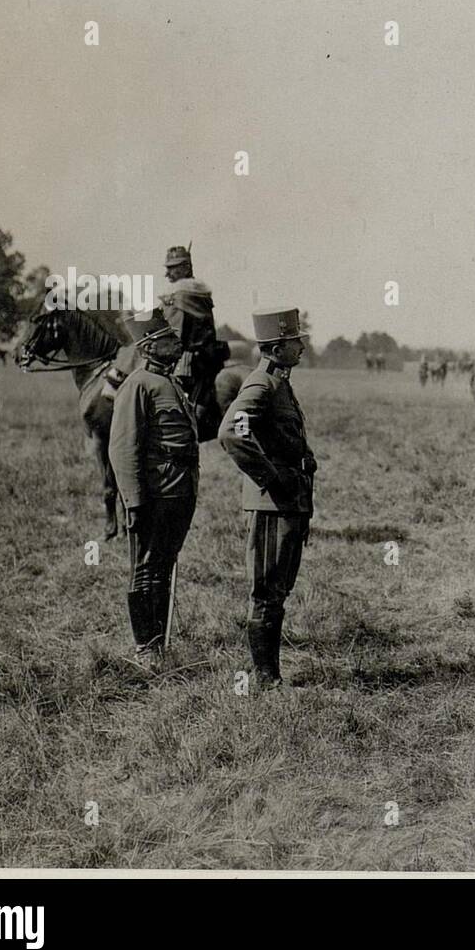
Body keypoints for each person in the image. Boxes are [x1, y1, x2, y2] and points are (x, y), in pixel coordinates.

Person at [217, 307, 318, 689]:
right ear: (276, 348)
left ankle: (269, 676)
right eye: (295, 342)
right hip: (272, 504)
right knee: (266, 591)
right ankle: (266, 679)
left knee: (278, 590)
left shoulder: (279, 382)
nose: (302, 347)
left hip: (287, 502)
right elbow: (231, 432)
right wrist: (269, 475)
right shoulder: (261, 384)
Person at [107, 308, 200, 671]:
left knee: (163, 565)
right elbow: (122, 447)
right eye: (168, 339)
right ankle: (146, 648)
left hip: (178, 490)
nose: (177, 343)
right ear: (148, 347)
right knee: (145, 568)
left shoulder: (171, 382)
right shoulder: (137, 385)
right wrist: (134, 500)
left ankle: (160, 644)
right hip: (154, 493)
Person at [160, 244, 231, 441]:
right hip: (206, 356)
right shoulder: (196, 291)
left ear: (185, 268)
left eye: (172, 268)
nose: (167, 274)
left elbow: (175, 333)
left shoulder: (182, 294)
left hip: (191, 360)